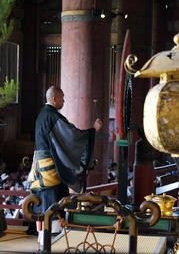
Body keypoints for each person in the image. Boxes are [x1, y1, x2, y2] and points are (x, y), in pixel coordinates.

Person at [28, 86, 102, 247]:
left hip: (40, 170)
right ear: (54, 99)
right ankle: (50, 246)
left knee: (47, 209)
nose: (64, 100)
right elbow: (72, 136)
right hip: (50, 172)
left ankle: (44, 245)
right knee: (54, 208)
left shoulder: (42, 115)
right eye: (62, 97)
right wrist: (92, 131)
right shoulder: (52, 116)